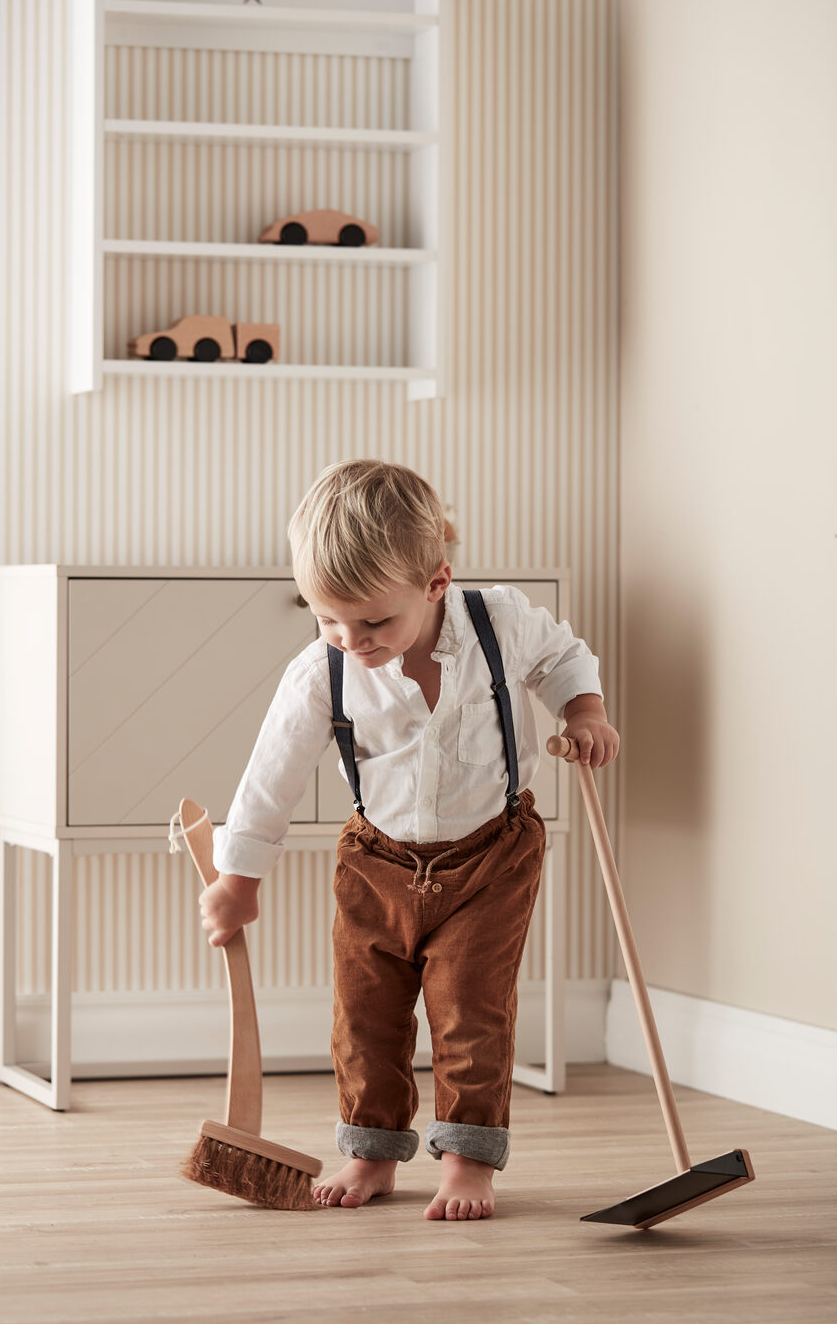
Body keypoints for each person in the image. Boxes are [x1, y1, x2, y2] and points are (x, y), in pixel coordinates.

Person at [199, 460, 619, 1221]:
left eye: (371, 622)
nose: (348, 639)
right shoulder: (320, 670)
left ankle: (465, 1158)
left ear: (435, 584)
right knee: (365, 1015)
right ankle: (370, 1151)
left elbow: (564, 659)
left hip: (491, 854)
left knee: (470, 1010)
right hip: (376, 861)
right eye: (326, 619)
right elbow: (270, 779)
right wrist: (240, 879)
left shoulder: (498, 621)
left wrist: (582, 713)